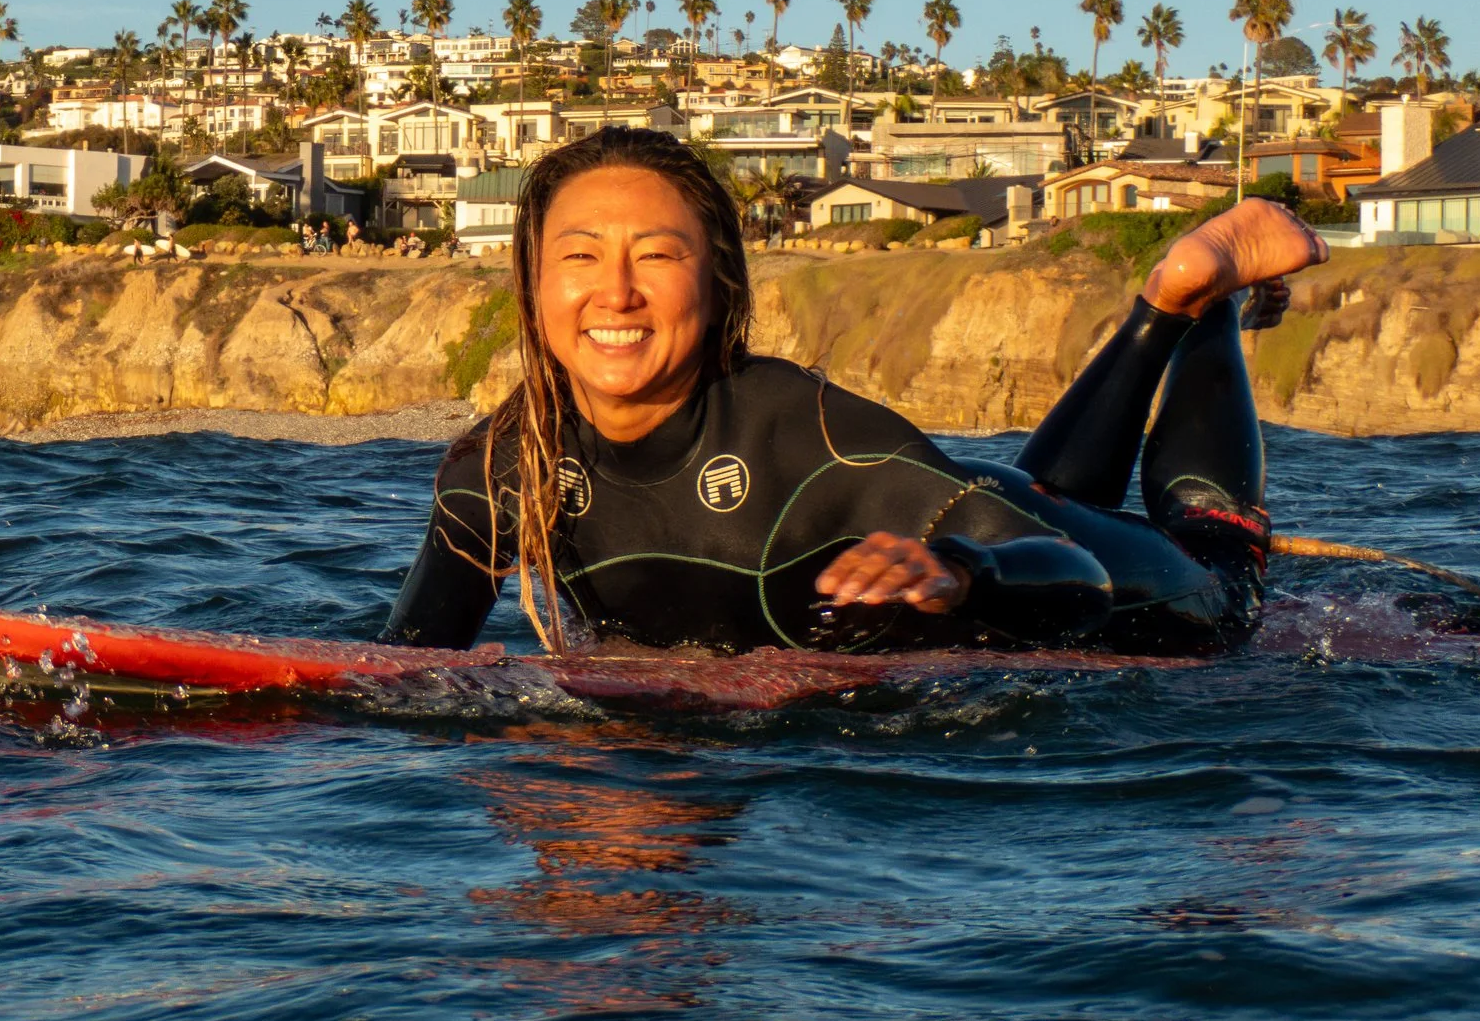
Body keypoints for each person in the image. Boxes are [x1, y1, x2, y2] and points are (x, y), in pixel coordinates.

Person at [382, 127, 1325, 658]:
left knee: (1223, 582)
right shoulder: (500, 464)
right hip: (993, 505)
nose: (615, 292)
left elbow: (1074, 573)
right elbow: (408, 667)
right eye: (579, 257)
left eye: (658, 256)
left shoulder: (812, 438)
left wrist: (963, 576)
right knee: (1054, 496)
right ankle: (1165, 307)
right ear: (534, 285)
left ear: (719, 292)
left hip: (1065, 566)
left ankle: (1204, 308)